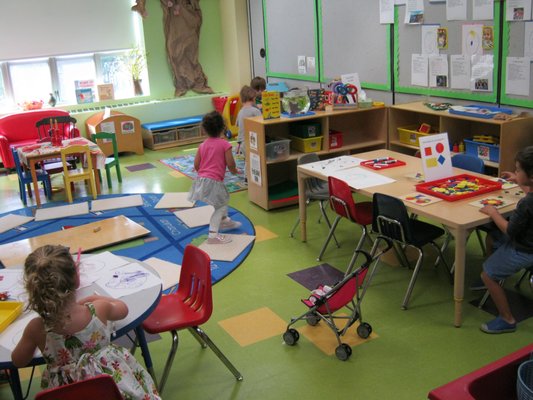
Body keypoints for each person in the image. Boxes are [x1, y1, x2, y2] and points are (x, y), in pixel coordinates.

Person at [11, 245, 160, 399]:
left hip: (68, 394)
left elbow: (18, 361)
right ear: (76, 278)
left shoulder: (36, 328)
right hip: (111, 390)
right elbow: (123, 310)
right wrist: (95, 299)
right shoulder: (98, 309)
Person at [478, 146, 533, 334]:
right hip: (527, 242)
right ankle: (494, 272)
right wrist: (520, 181)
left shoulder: (526, 203)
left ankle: (507, 319)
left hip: (524, 249)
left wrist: (494, 213)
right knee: (492, 237)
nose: (516, 172)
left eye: (518, 170)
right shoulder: (530, 195)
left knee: (487, 274)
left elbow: (509, 231)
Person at [188, 111, 241, 244]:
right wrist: (234, 171)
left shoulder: (202, 145)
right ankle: (213, 235)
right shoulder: (225, 144)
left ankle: (224, 220)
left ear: (204, 129)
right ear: (223, 127)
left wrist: (204, 173)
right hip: (214, 182)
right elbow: (230, 163)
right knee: (221, 205)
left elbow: (196, 164)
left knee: (221, 201)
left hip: (201, 181)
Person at [236, 85, 262, 163]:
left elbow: (237, 124)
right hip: (251, 141)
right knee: (255, 161)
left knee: (248, 161)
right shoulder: (255, 111)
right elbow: (261, 125)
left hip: (241, 142)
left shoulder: (240, 111)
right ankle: (249, 175)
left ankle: (246, 175)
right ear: (254, 98)